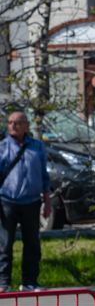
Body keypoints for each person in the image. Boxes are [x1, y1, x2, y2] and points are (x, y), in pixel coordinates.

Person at [0, 109, 51, 291]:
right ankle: (3, 282)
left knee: (32, 244)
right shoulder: (3, 147)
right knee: (5, 244)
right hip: (8, 201)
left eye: (17, 122)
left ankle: (30, 281)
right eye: (10, 122)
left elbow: (44, 175)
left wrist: (47, 199)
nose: (13, 125)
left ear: (26, 126)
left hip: (31, 201)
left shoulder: (37, 146)